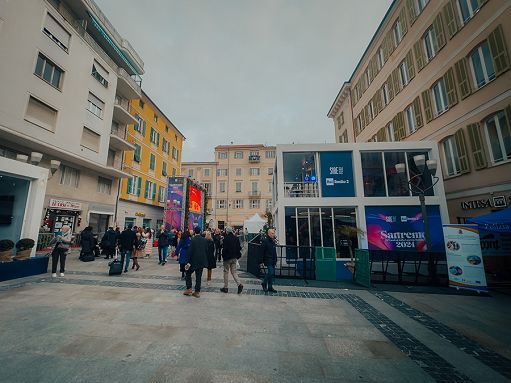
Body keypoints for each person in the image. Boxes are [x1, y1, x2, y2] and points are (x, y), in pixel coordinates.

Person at [183, 226, 209, 298]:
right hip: (201, 261)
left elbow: (190, 251)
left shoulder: (192, 240)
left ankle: (189, 289)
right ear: (200, 232)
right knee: (198, 276)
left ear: (194, 231)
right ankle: (197, 292)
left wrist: (187, 261)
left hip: (192, 261)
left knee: (188, 273)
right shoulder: (204, 240)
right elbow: (206, 250)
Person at [220, 227, 243, 294]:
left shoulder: (225, 239)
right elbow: (239, 247)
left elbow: (224, 249)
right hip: (234, 258)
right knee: (234, 272)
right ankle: (239, 284)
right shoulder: (236, 238)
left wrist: (223, 256)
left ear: (227, 232)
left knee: (226, 272)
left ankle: (226, 287)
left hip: (227, 258)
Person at [260, 228, 278, 293]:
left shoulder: (272, 241)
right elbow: (262, 251)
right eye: (272, 233)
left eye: (274, 233)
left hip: (273, 259)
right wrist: (261, 260)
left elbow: (274, 251)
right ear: (269, 234)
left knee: (271, 274)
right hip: (268, 259)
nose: (274, 234)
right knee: (271, 272)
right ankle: (264, 283)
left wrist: (276, 259)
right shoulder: (265, 241)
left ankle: (270, 287)